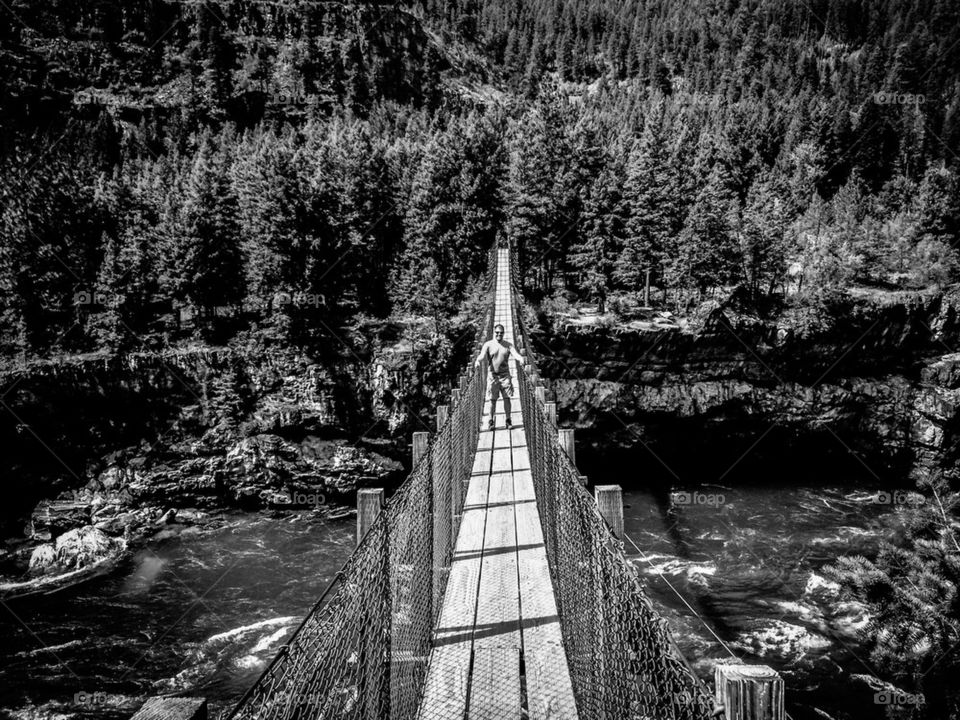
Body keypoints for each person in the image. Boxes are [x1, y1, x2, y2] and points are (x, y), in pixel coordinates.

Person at [474, 324, 525, 429]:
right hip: (493, 376)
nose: (499, 334)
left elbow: (515, 354)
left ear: (503, 333)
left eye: (501, 333)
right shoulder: (488, 344)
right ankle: (491, 420)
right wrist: (477, 361)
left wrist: (520, 359)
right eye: (497, 332)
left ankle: (508, 420)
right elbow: (482, 355)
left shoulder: (508, 345)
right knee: (492, 400)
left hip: (505, 376)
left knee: (507, 398)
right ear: (494, 332)